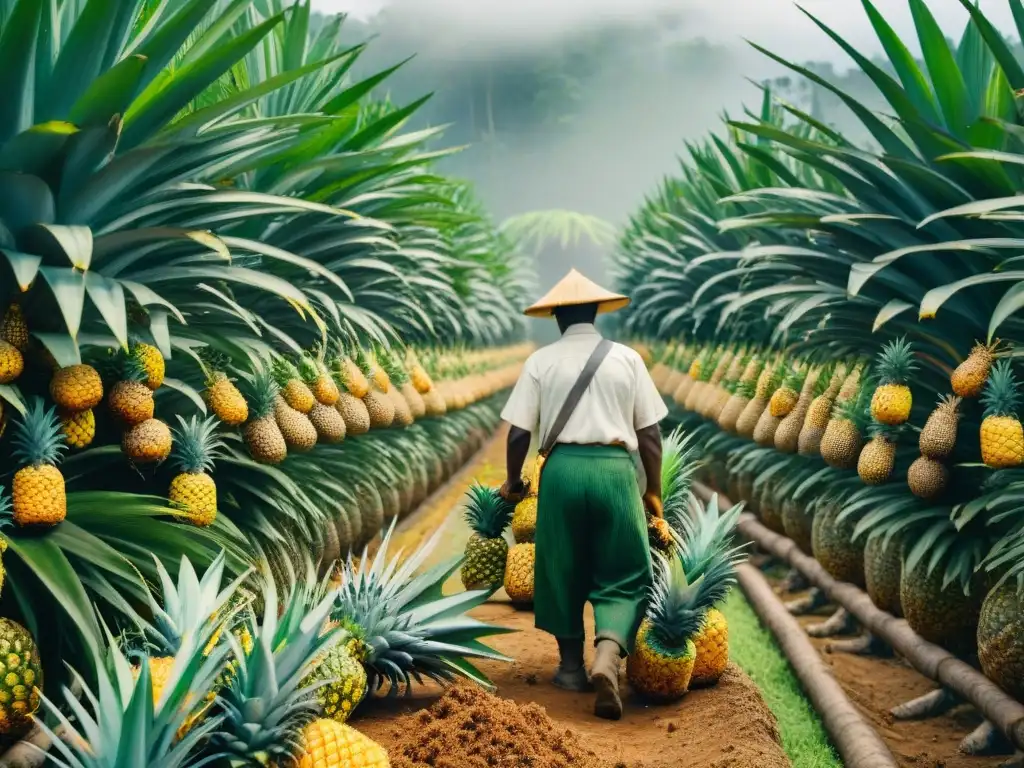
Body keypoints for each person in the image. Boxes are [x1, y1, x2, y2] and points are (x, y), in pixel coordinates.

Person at [498, 268, 667, 721]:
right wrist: (652, 491)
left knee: (560, 567)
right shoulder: (628, 359)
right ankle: (609, 655)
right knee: (626, 569)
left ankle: (571, 668)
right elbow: (650, 435)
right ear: (596, 313)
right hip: (614, 473)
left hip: (562, 473)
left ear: (556, 316)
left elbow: (518, 433)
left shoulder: (541, 361)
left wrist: (514, 482)